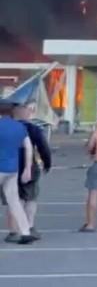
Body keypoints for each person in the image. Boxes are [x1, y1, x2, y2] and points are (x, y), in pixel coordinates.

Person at [3, 103, 51, 241]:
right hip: (29, 167)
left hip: (8, 166)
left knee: (12, 199)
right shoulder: (33, 129)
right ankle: (29, 227)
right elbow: (42, 147)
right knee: (30, 198)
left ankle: (13, 231)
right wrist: (47, 164)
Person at [0, 105, 35, 244]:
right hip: (12, 169)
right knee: (14, 201)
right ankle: (25, 232)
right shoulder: (20, 127)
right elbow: (28, 147)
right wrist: (27, 168)